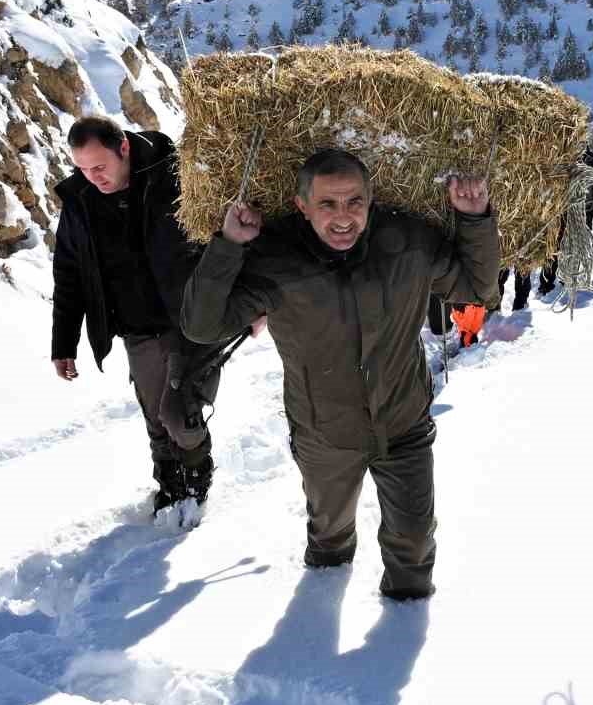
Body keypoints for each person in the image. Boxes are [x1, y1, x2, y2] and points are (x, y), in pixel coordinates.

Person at [182, 148, 500, 600]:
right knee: (329, 537)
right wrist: (229, 246)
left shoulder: (408, 242)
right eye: (327, 204)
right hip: (323, 432)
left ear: (371, 200)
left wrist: (474, 219)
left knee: (413, 541)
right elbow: (201, 325)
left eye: (354, 202)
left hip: (403, 421)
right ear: (302, 206)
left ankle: (405, 619)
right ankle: (320, 604)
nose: (343, 217)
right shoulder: (275, 260)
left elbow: (477, 289)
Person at [51, 116, 248, 522]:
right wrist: (63, 343)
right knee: (156, 417)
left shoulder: (175, 175)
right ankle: (170, 487)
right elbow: (69, 272)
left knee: (180, 414)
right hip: (135, 326)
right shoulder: (80, 202)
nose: (93, 177)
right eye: (83, 169)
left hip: (191, 320)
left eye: (100, 166)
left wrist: (248, 302)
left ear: (123, 147)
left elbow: (226, 234)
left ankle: (196, 479)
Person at [539, 149, 593, 295]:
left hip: (583, 212)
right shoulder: (562, 156)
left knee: (574, 246)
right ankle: (548, 282)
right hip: (561, 211)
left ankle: (568, 278)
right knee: (556, 245)